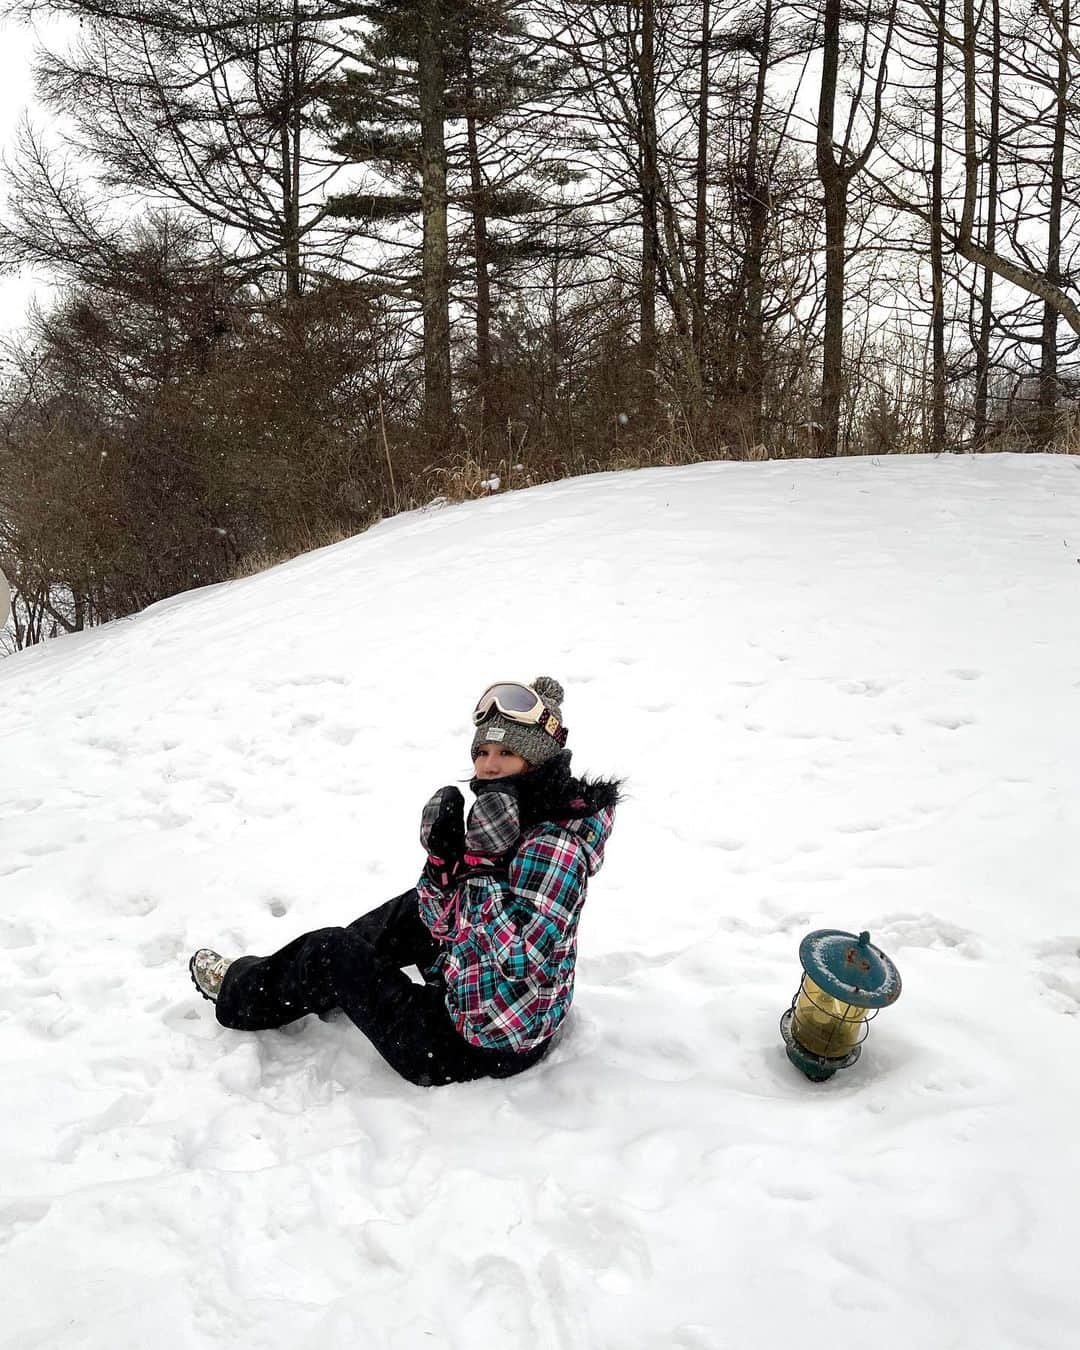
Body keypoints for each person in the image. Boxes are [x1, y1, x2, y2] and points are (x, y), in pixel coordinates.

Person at [189, 677, 620, 1087]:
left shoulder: (554, 845)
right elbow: (439, 919)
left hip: (472, 1044)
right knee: (409, 910)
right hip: (481, 998)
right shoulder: (515, 813)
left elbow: (521, 959)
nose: (488, 765)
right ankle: (322, 983)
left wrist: (482, 869)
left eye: (504, 753)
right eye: (481, 752)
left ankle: (240, 994)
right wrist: (445, 868)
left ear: (536, 758)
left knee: (329, 951)